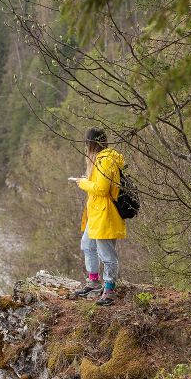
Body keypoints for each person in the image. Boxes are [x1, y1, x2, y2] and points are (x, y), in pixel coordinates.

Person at [73, 128, 125, 306]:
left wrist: (84, 183)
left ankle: (109, 289)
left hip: (105, 213)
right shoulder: (100, 160)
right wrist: (87, 181)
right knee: (87, 244)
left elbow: (102, 189)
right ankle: (94, 282)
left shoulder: (106, 160)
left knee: (106, 253)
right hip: (96, 213)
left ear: (91, 143)